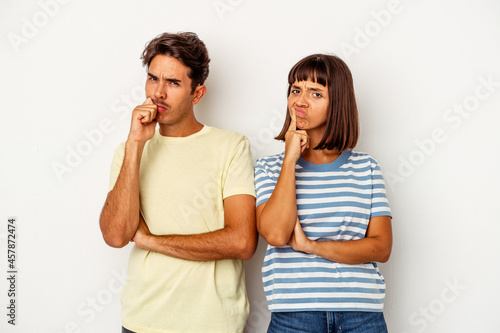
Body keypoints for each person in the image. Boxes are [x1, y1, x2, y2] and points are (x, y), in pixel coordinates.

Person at [99, 32, 257, 333]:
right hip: (143, 322)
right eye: (153, 78)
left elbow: (242, 241)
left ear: (197, 94)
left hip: (214, 324)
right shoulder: (128, 150)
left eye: (173, 83)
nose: (158, 93)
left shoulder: (231, 146)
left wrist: (150, 240)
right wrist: (135, 144)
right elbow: (116, 235)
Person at [254, 54, 393, 332]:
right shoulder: (270, 168)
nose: (300, 101)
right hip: (294, 317)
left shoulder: (366, 167)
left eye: (316, 93)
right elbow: (276, 235)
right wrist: (290, 161)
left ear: (337, 103)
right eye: (296, 90)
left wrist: (312, 247)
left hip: (361, 316)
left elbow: (380, 247)